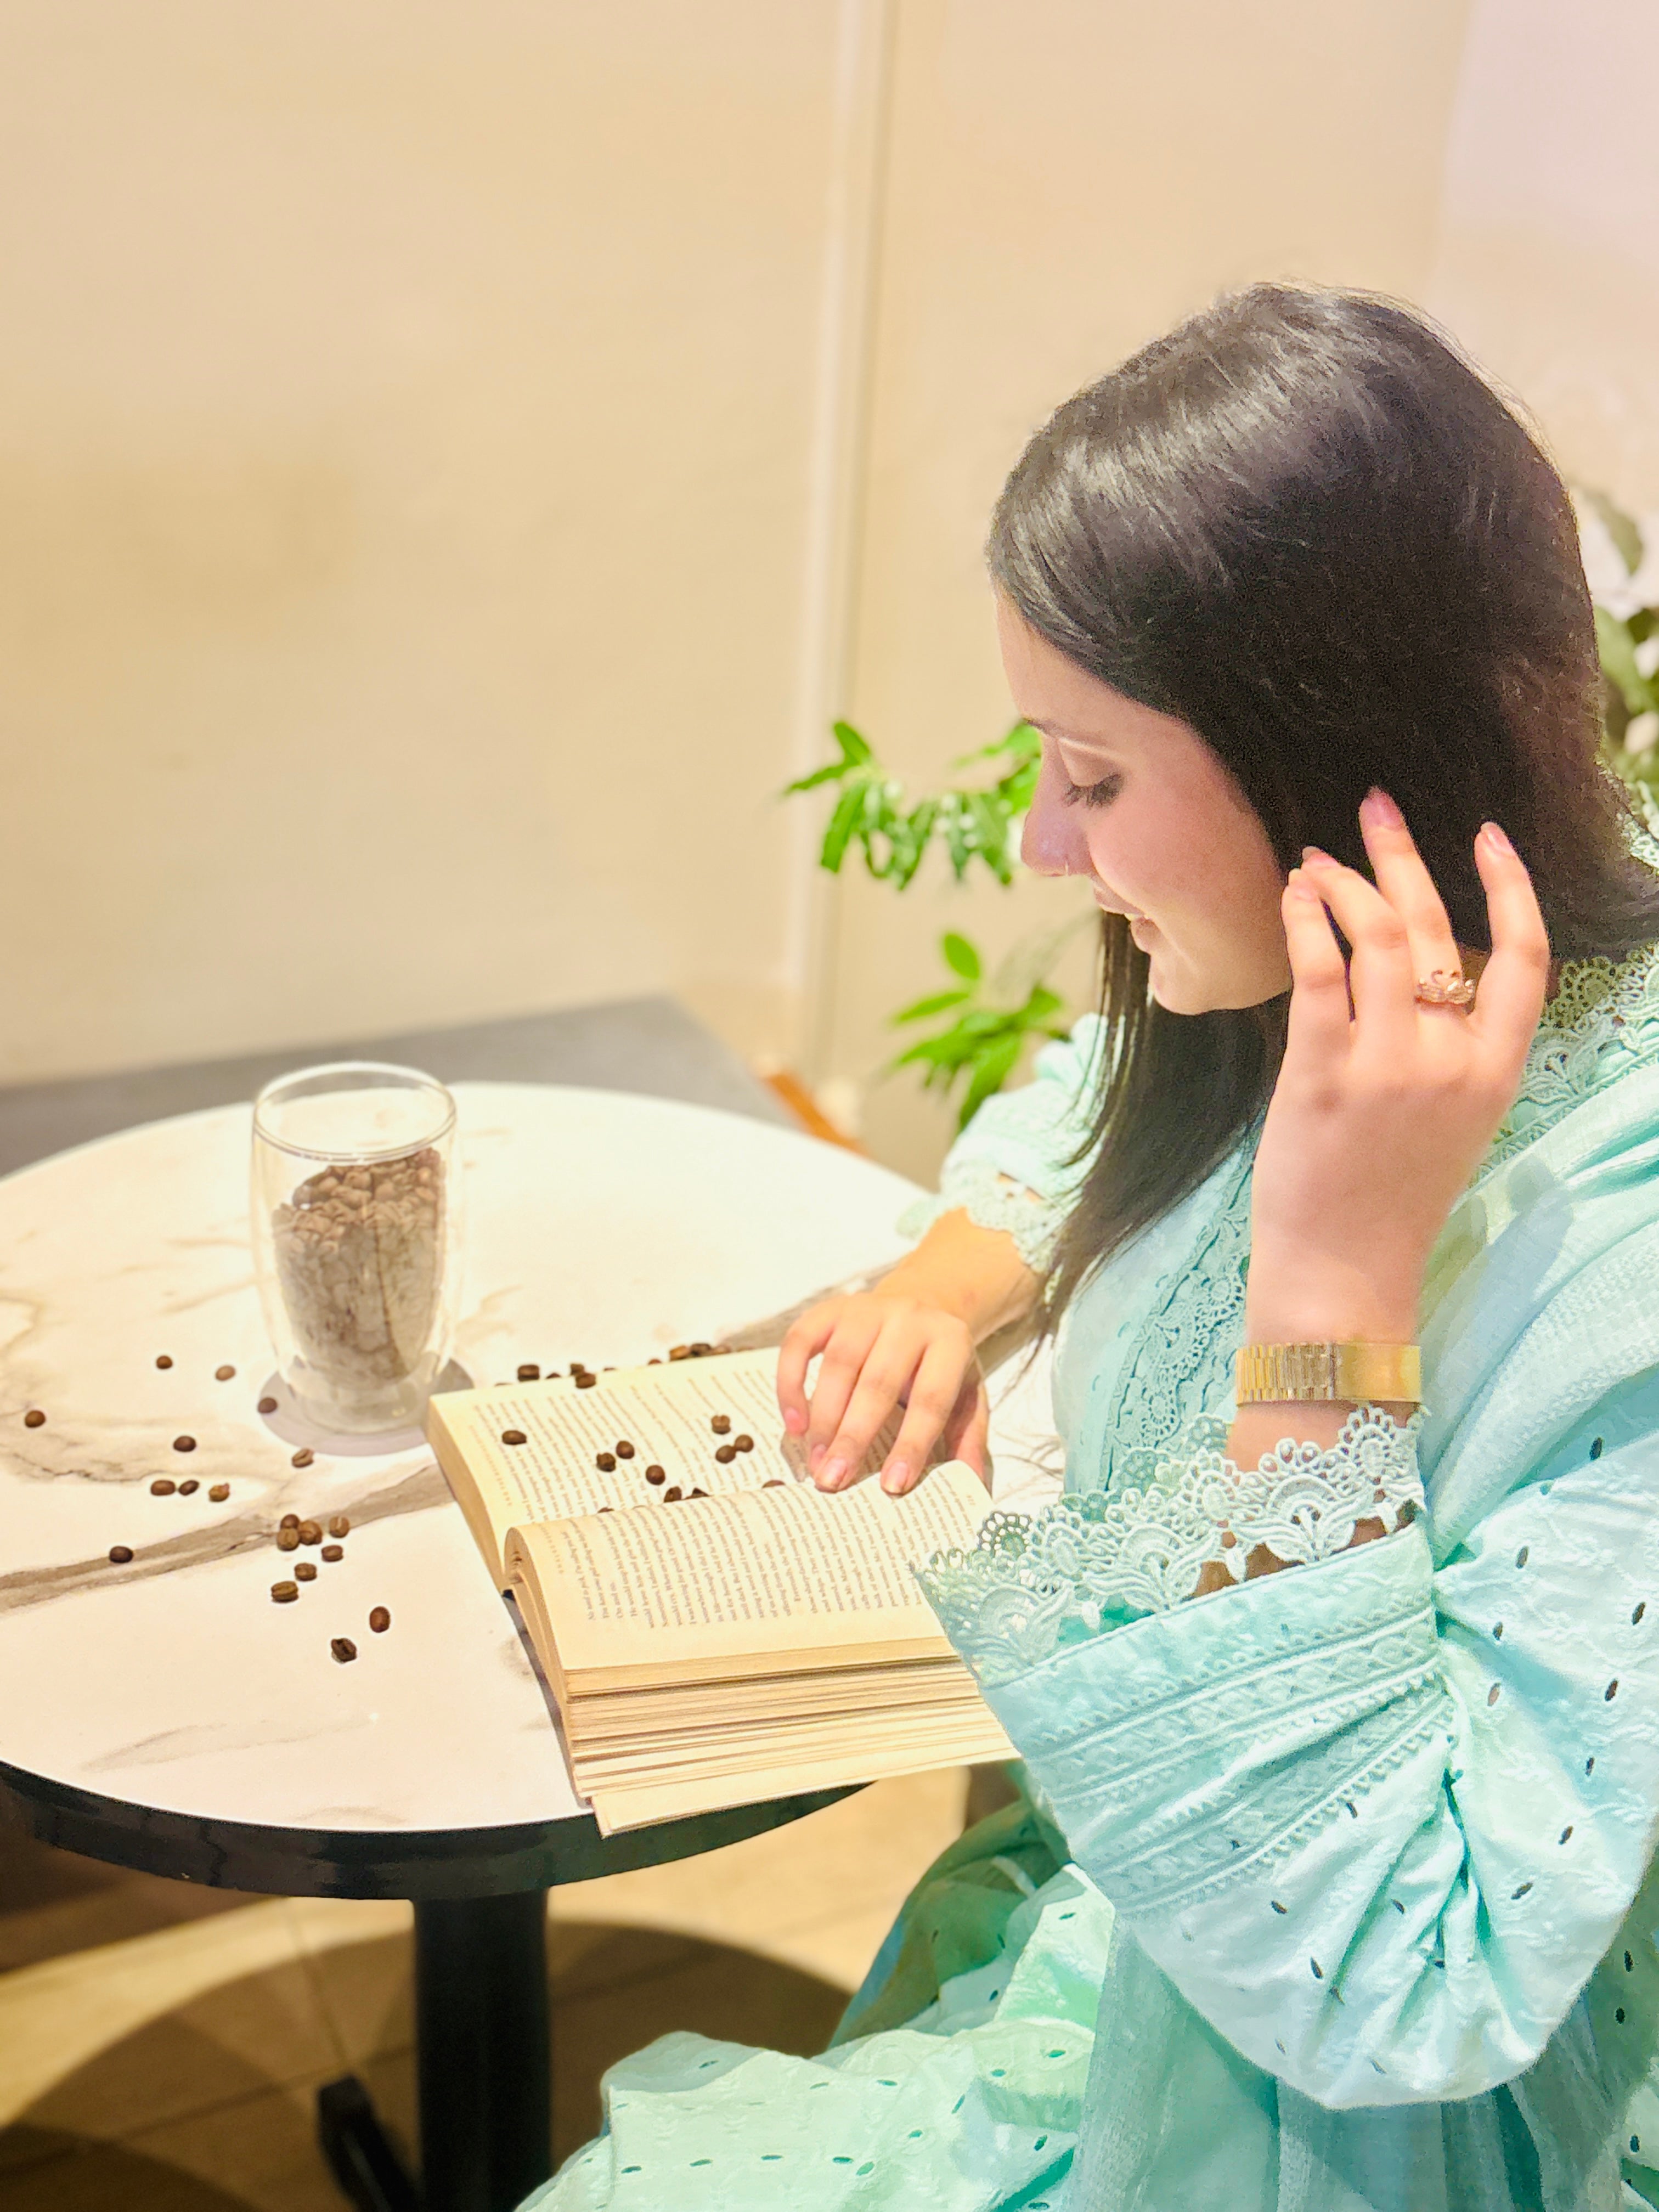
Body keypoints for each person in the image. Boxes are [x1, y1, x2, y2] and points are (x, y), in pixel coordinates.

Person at [524, 286, 1659, 2211]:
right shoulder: (1372, 979)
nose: (1047, 851)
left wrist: (1327, 1294)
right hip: (1138, 1951)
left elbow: (1396, 1979)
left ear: (1340, 757)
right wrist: (945, 1283)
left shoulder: (1608, 1263)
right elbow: (1083, 1105)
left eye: (1098, 777)